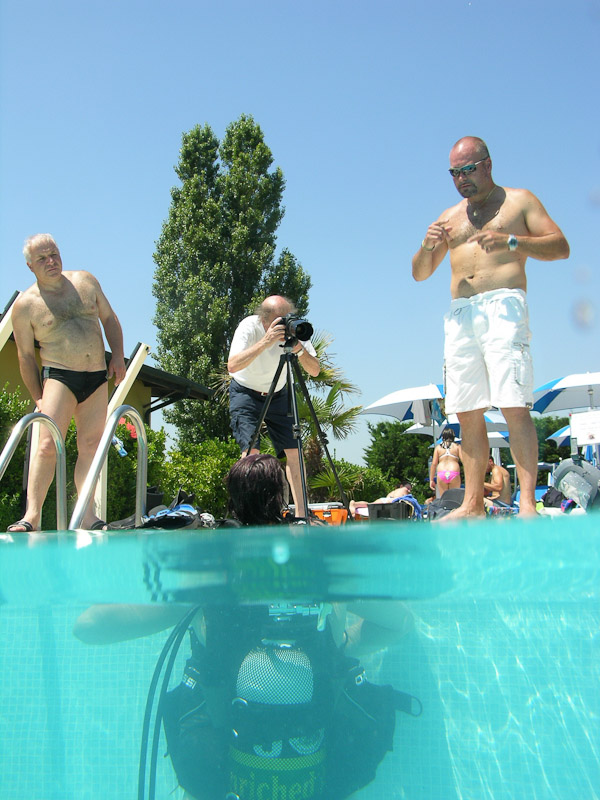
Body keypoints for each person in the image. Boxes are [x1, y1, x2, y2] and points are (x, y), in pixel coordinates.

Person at [74, 454, 417, 800]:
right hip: (315, 760)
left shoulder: (208, 577)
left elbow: (88, 626)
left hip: (224, 763)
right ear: (283, 500)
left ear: (232, 504)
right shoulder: (319, 570)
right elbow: (399, 622)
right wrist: (342, 644)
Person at [412, 136, 569, 518]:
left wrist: (512, 241)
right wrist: (427, 245)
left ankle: (528, 503)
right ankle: (471, 504)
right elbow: (419, 274)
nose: (461, 178)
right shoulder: (448, 218)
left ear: (487, 164)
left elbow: (561, 246)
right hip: (461, 313)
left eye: (467, 169)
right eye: (454, 172)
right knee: (466, 410)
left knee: (513, 404)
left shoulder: (520, 201)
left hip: (504, 305)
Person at [8, 234, 126, 532]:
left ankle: (87, 514)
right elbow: (24, 357)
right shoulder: (25, 305)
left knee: (90, 445)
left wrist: (119, 357)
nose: (51, 261)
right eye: (42, 259)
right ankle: (31, 516)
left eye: (54, 254)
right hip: (59, 377)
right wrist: (37, 396)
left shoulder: (86, 282)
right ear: (30, 266)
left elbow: (110, 319)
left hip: (96, 376)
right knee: (46, 444)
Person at [227, 295, 320, 518]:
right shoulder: (249, 327)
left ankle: (300, 514)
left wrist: (299, 349)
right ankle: (252, 514)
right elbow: (232, 365)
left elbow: (315, 370)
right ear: (264, 319)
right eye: (280, 320)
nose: (285, 324)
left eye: (288, 317)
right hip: (245, 391)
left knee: (295, 453)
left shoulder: (295, 329)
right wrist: (265, 342)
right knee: (251, 453)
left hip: (279, 392)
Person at [349, 480, 413, 518]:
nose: (409, 491)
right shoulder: (402, 490)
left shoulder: (394, 491)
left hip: (384, 501)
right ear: (402, 486)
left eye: (410, 489)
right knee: (370, 505)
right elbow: (396, 498)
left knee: (370, 505)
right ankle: (354, 504)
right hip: (386, 502)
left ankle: (355, 504)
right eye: (408, 488)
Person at [429, 428, 462, 497]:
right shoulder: (457, 447)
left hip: (441, 473)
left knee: (444, 498)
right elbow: (464, 462)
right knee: (454, 499)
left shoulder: (438, 448)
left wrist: (431, 480)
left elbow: (434, 464)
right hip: (454, 472)